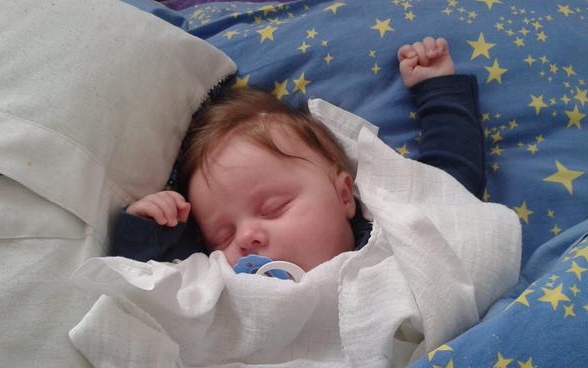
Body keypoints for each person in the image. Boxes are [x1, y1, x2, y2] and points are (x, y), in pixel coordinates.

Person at [112, 36, 485, 272]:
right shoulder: (230, 291)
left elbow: (449, 187)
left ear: (343, 196)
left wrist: (438, 89)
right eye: (221, 236)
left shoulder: (394, 230)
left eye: (274, 207)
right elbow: (152, 298)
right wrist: (143, 236)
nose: (246, 237)